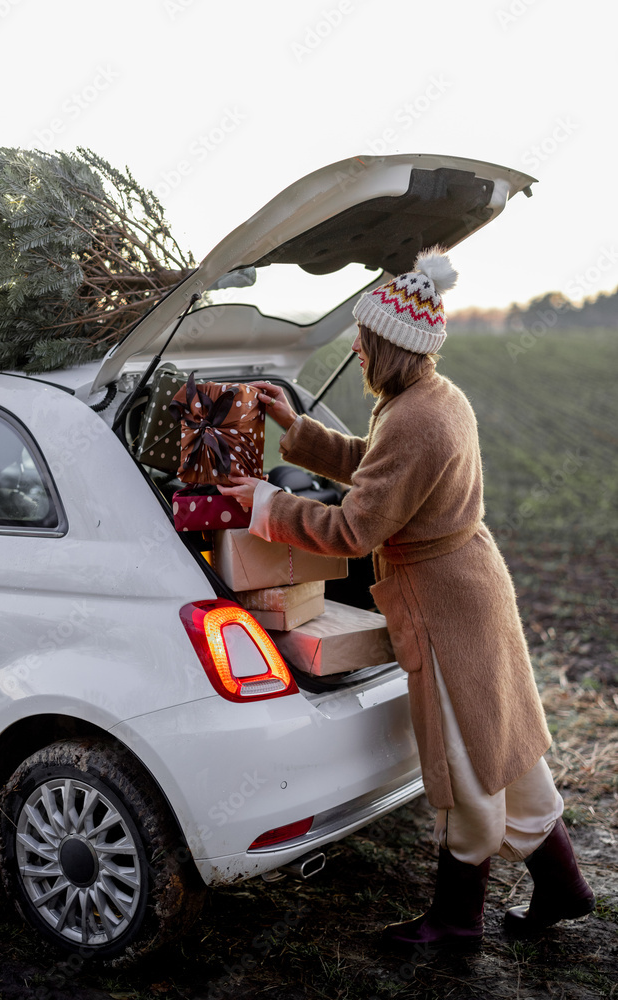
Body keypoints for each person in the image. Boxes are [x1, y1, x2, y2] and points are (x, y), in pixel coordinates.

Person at [218, 247, 595, 952]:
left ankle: (454, 923)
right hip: (470, 590)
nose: (355, 347)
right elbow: (378, 467)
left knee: (463, 757)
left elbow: (357, 527)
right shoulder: (431, 399)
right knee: (502, 742)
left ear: (389, 346)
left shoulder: (416, 418)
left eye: (364, 338)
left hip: (443, 606)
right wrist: (297, 430)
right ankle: (563, 886)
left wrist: (266, 505)